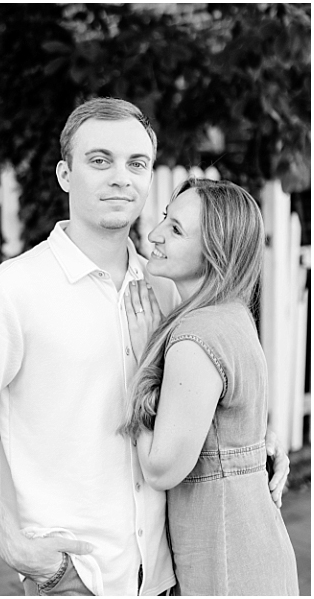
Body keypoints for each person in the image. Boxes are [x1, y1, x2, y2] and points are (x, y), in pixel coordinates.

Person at [0, 98, 289, 596]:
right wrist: (12, 543)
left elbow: (201, 392)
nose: (121, 177)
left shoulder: (166, 287)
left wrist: (257, 441)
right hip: (77, 576)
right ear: (65, 174)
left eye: (137, 163)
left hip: (167, 574)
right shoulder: (14, 290)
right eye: (100, 160)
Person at [121, 178, 299, 595]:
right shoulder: (233, 313)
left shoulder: (194, 336)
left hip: (227, 568)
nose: (154, 233)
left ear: (215, 253)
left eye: (177, 229)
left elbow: (161, 467)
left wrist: (141, 358)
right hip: (256, 553)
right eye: (166, 217)